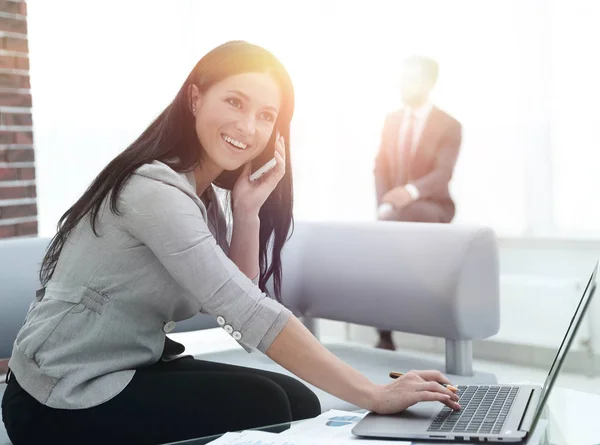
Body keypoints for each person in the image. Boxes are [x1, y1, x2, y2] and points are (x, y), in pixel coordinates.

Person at [1, 41, 460, 445]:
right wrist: (373, 393)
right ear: (196, 98)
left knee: (295, 398)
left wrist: (247, 212)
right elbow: (245, 309)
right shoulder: (154, 189)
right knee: (271, 406)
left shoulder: (201, 197)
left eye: (266, 116)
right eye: (235, 102)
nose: (248, 127)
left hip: (125, 367)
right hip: (60, 396)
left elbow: (232, 299)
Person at [373, 55, 462, 351]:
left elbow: (443, 173)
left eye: (411, 79)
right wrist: (384, 204)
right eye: (402, 78)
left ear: (429, 83)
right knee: (377, 241)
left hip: (431, 206)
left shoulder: (449, 125)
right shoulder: (391, 120)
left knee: (407, 216)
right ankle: (384, 335)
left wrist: (409, 192)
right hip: (395, 211)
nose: (403, 85)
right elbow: (381, 167)